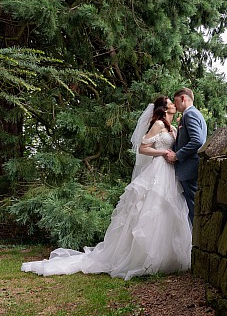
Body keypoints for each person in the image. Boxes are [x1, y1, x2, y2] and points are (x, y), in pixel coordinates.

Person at [21, 96, 192, 280]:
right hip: (158, 168)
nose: (174, 105)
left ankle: (168, 257)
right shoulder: (158, 124)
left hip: (169, 171)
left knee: (167, 210)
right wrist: (163, 152)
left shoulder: (172, 127)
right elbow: (142, 148)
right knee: (151, 209)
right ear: (164, 108)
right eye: (170, 102)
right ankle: (143, 259)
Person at [164, 88, 207, 225]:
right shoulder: (193, 114)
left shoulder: (190, 114)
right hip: (190, 168)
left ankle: (196, 241)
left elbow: (197, 141)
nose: (175, 106)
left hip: (189, 169)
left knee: (193, 208)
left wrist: (177, 156)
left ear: (183, 98)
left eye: (175, 101)